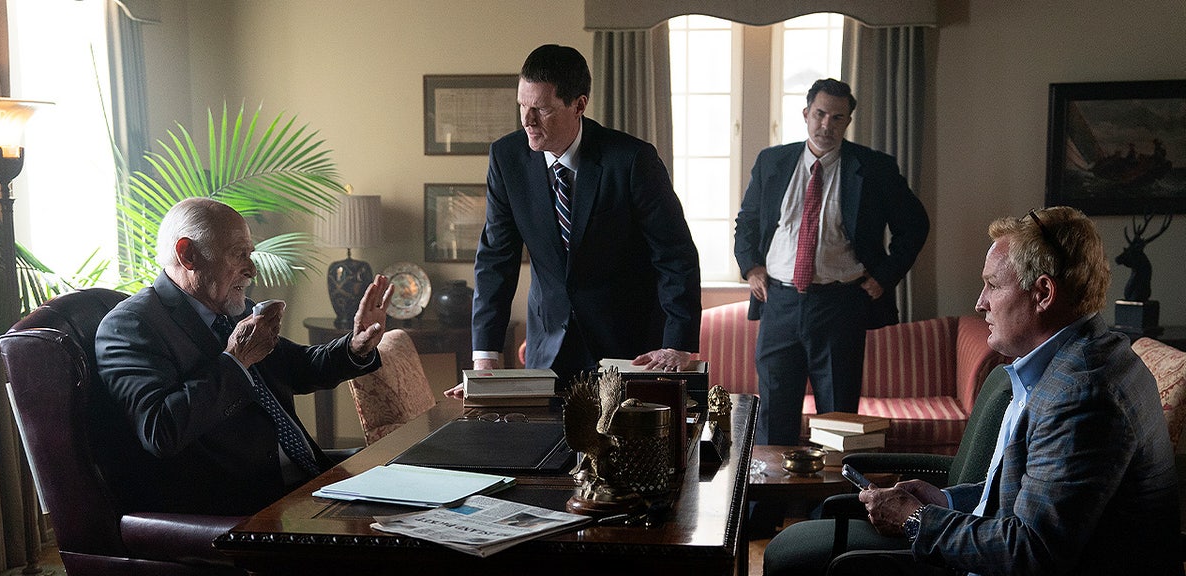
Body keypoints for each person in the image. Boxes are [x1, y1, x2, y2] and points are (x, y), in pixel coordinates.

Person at [812, 207, 1183, 576]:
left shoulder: (1083, 391)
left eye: (992, 285)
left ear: (1043, 293)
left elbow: (1033, 549)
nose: (979, 302)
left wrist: (917, 521)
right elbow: (1025, 499)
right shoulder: (1063, 362)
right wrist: (944, 499)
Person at [96, 197, 393, 515]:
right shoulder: (131, 325)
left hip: (307, 482)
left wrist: (355, 347)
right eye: (239, 254)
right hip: (241, 510)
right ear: (188, 254)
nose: (252, 269)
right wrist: (235, 360)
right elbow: (161, 431)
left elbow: (298, 367)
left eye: (250, 254)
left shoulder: (238, 312)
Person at [447, 43, 701, 396]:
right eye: (522, 105)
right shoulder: (507, 158)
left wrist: (677, 343)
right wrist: (485, 357)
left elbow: (675, 256)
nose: (527, 121)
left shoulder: (631, 160)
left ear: (579, 105)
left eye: (541, 109)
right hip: (547, 348)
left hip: (628, 348)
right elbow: (495, 260)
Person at [733, 78, 929, 445]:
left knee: (837, 420)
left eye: (837, 118)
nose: (827, 125)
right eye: (820, 114)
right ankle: (771, 503)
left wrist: (884, 276)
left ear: (847, 122)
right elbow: (748, 222)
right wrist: (751, 266)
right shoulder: (772, 162)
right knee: (774, 415)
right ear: (806, 114)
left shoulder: (874, 169)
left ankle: (831, 502)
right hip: (779, 303)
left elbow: (915, 226)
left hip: (841, 305)